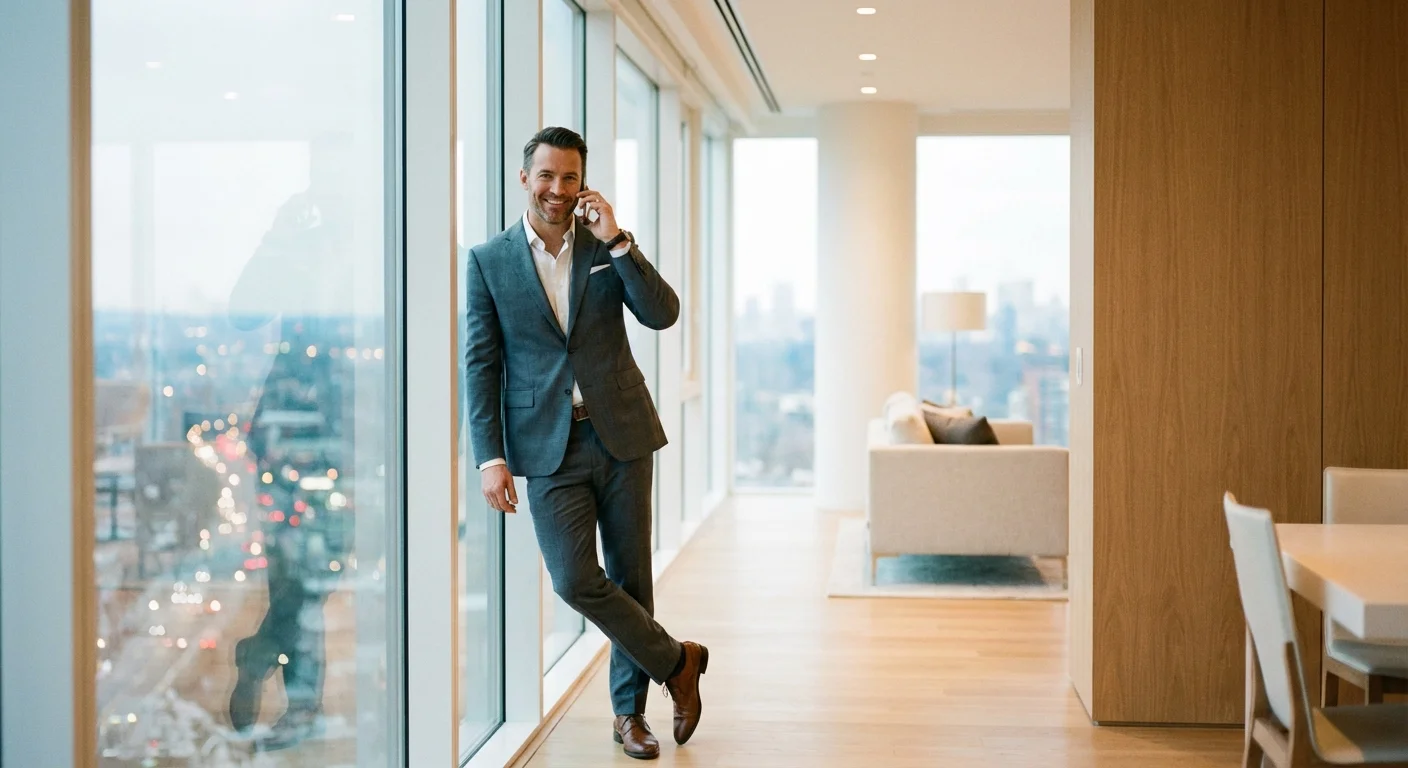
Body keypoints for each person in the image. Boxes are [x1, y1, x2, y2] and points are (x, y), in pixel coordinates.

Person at [464, 127, 708, 760]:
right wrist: (491, 458)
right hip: (546, 447)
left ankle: (629, 716)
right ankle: (678, 661)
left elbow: (662, 313)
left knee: (631, 574)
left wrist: (619, 242)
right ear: (525, 179)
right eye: (546, 176)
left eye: (569, 178)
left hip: (621, 433)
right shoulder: (489, 261)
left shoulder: (605, 248)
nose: (557, 189)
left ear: (583, 184)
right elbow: (480, 365)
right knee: (574, 579)